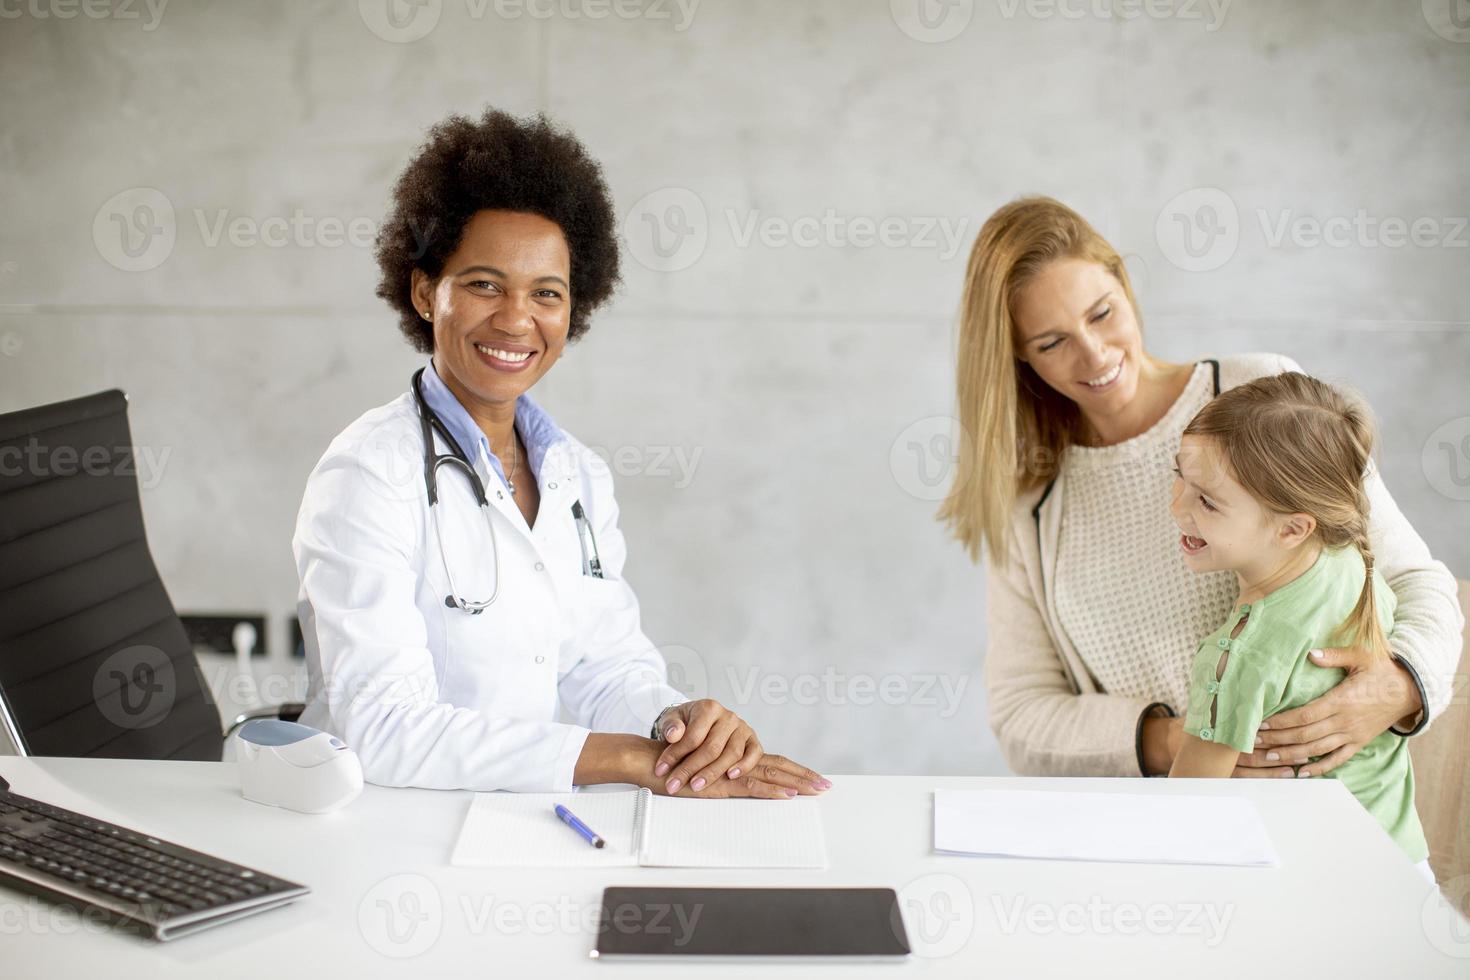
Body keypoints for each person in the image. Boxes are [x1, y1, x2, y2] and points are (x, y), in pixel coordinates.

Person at [293, 108, 827, 799]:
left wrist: (675, 731)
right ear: (427, 292)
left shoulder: (576, 475)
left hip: (517, 821)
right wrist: (623, 759)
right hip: (389, 830)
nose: (517, 319)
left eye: (547, 293)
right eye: (485, 284)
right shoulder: (368, 474)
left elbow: (604, 666)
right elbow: (384, 728)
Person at [940, 195, 1463, 777]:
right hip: (1181, 818)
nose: (1094, 354)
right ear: (1017, 356)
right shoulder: (1030, 504)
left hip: (1330, 808)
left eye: (1102, 313)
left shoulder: (1258, 393)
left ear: (1123, 283)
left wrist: (1400, 683)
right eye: (1051, 343)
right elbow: (1021, 713)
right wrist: (1181, 743)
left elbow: (1414, 579)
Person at [1166, 373, 1431, 881]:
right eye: (1177, 475)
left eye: (1207, 501)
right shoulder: (1349, 559)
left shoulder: (1239, 656)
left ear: (1292, 527)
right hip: (1404, 864)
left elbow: (1186, 813)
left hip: (1316, 882)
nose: (1177, 506)